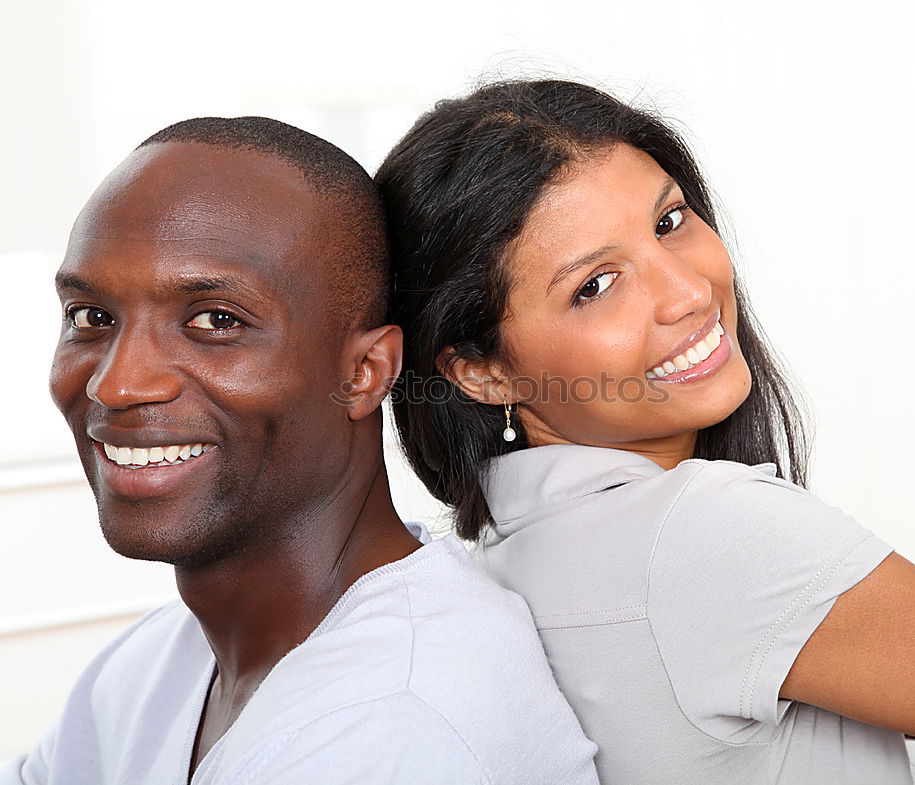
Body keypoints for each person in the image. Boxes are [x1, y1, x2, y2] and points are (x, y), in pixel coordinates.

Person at [375, 79, 915, 785]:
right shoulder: (705, 533)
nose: (689, 292)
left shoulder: (507, 555)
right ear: (481, 372)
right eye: (596, 286)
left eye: (669, 221)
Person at [1, 117, 599, 785]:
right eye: (91, 316)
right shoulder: (154, 664)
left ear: (365, 370)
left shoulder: (396, 719)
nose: (117, 383)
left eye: (216, 321)